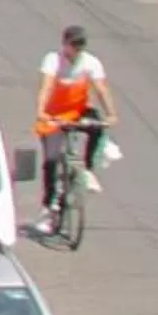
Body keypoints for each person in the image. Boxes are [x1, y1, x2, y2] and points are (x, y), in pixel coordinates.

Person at [36, 22, 115, 196]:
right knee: (51, 160)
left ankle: (88, 169)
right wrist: (41, 111)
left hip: (78, 111)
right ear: (64, 44)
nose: (76, 51)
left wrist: (111, 114)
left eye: (80, 47)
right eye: (73, 46)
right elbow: (46, 86)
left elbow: (101, 89)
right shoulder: (53, 60)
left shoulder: (90, 62)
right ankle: (49, 203)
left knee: (98, 128)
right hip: (54, 114)